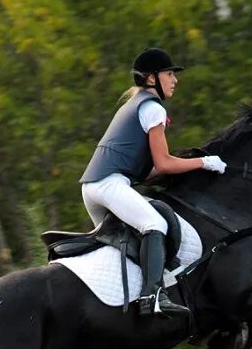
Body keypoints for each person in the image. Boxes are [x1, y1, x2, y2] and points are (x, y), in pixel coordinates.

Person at [80, 47, 227, 319]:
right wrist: (204, 163)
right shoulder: (152, 109)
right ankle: (153, 297)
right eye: (169, 74)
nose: (175, 80)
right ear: (151, 78)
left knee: (123, 248)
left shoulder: (133, 105)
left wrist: (186, 168)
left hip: (92, 188)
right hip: (110, 185)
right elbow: (164, 164)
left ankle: (118, 303)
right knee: (155, 224)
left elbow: (147, 173)